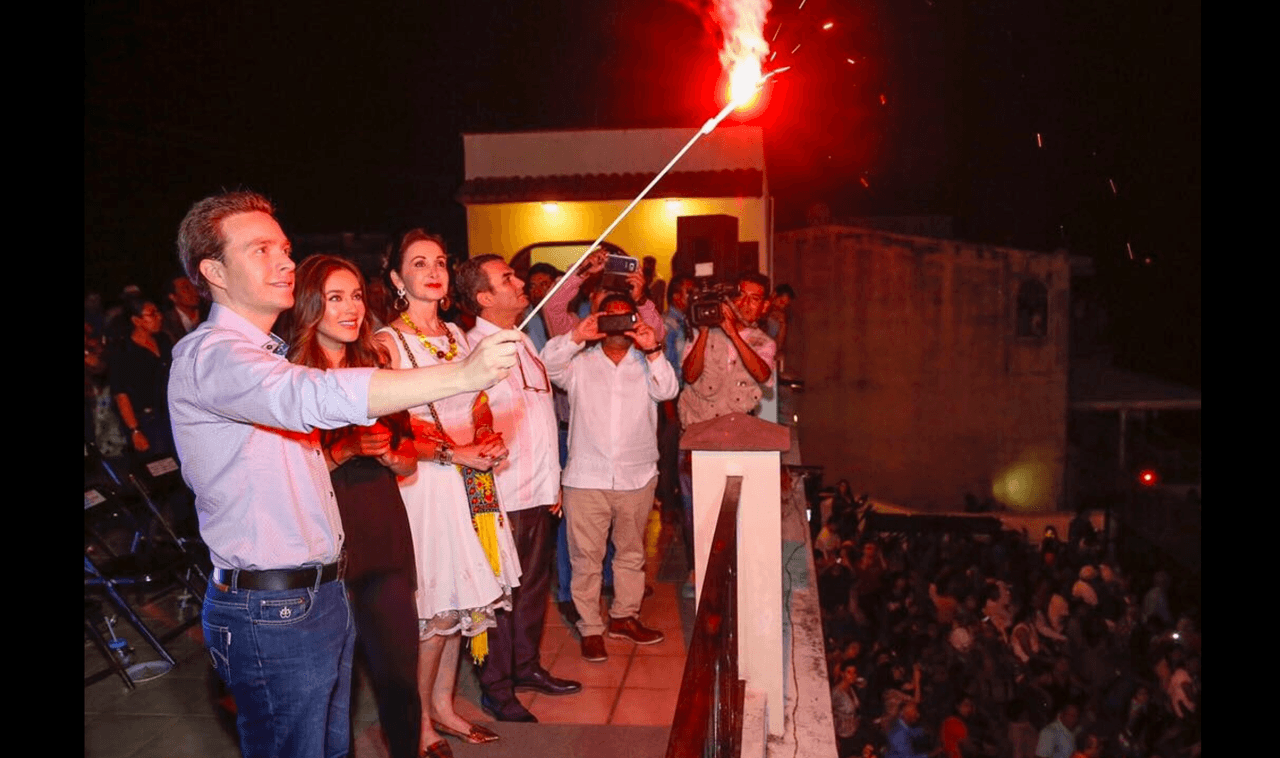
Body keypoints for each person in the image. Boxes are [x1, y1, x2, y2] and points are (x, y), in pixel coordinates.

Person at [168, 191, 520, 758]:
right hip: (272, 607)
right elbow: (309, 395)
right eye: (261, 250)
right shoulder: (212, 355)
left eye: (284, 248)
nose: (285, 262)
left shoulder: (266, 356)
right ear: (214, 272)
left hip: (320, 590)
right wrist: (462, 374)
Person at [376, 231, 522, 753]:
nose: (434, 271)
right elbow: (386, 430)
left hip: (471, 482)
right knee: (435, 611)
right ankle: (416, 724)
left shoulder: (460, 337)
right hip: (427, 485)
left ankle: (443, 706)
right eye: (419, 263)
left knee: (462, 604)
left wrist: (485, 438)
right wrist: (453, 454)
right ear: (397, 278)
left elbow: (477, 403)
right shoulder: (388, 343)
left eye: (439, 262)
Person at [287, 256, 422, 758]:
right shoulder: (288, 379)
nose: (350, 308)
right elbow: (283, 476)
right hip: (321, 549)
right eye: (335, 297)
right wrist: (342, 451)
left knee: (398, 678)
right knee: (324, 689)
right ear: (309, 304)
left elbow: (409, 463)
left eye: (357, 296)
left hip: (382, 539)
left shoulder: (376, 374)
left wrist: (388, 450)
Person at [456, 254, 582, 722]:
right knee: (499, 597)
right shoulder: (474, 350)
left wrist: (555, 484)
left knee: (531, 590)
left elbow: (539, 422)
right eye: (506, 278)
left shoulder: (524, 340)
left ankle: (526, 667)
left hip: (537, 492)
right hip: (499, 496)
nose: (518, 281)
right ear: (485, 298)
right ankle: (496, 688)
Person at [542, 292, 678, 662]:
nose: (618, 324)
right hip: (587, 477)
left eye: (625, 317)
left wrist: (654, 350)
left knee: (631, 555)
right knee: (586, 558)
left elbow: (669, 390)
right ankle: (590, 628)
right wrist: (576, 336)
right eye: (610, 317)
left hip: (637, 475)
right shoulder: (580, 364)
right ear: (599, 321)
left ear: (636, 321)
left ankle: (624, 618)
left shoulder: (648, 362)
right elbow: (547, 365)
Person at [109, 295, 176, 458]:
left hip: (173, 413)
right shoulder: (123, 353)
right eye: (152, 314)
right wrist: (135, 430)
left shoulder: (164, 340)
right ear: (137, 320)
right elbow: (121, 395)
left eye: (158, 312)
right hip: (149, 421)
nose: (159, 317)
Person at [162, 272, 204, 343]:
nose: (193, 291)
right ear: (173, 297)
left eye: (193, 286)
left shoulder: (208, 310)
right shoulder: (167, 323)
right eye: (186, 288)